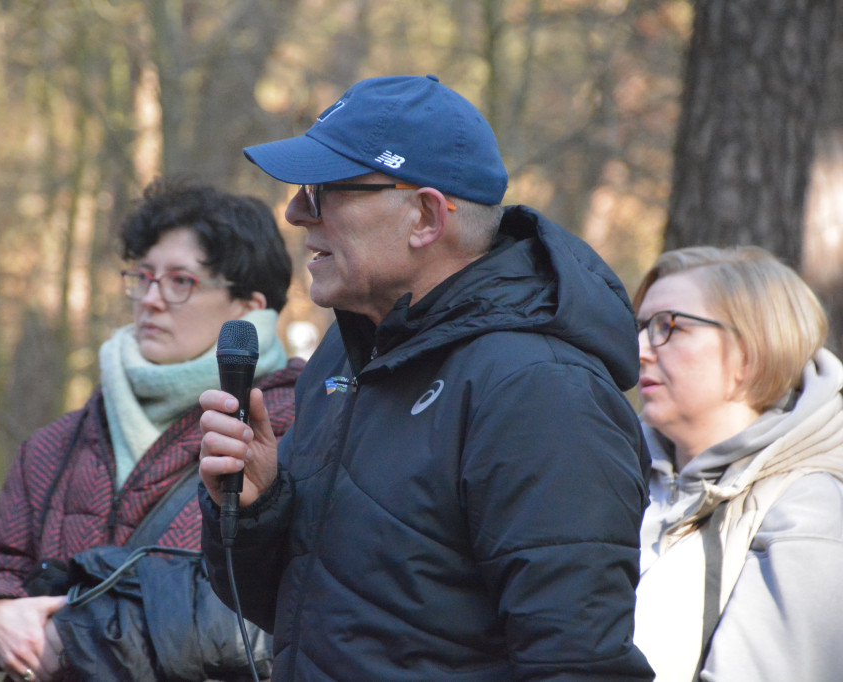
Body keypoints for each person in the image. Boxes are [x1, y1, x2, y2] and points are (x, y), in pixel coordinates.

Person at [197, 74, 655, 680]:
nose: (296, 211)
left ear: (425, 216)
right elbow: (308, 618)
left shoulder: (542, 391)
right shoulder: (346, 354)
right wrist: (256, 507)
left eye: (326, 188)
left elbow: (577, 663)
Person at [0, 178, 303, 681]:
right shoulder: (53, 446)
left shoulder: (307, 427)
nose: (151, 300)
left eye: (181, 281)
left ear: (248, 309)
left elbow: (293, 618)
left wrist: (71, 638)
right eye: (144, 276)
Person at [631, 246, 843, 681]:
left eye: (666, 327)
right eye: (638, 328)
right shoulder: (617, 474)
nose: (639, 350)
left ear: (750, 351)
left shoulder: (813, 508)